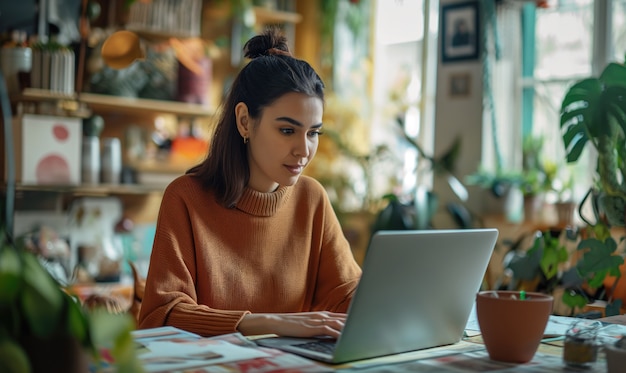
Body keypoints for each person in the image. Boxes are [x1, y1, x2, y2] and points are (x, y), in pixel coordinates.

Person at [137, 28, 363, 339]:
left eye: (313, 133)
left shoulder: (312, 199)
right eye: (287, 130)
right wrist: (265, 323)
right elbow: (160, 315)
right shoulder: (186, 198)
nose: (304, 149)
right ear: (244, 120)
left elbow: (348, 295)